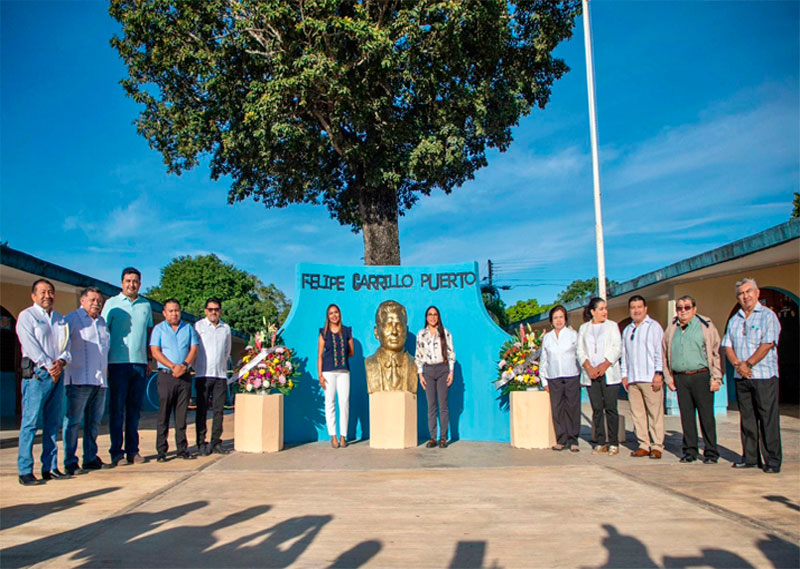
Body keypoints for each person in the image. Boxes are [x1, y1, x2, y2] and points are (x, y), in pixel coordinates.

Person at [722, 278, 782, 473]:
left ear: (757, 293)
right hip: (742, 377)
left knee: (767, 419)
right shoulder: (735, 319)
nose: (745, 296)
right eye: (741, 293)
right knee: (747, 419)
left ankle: (772, 461)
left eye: (748, 292)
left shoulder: (767, 316)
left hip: (764, 376)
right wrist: (738, 366)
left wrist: (748, 363)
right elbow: (727, 346)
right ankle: (750, 458)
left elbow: (768, 344)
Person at [16, 279, 72, 485]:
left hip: (57, 374)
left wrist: (61, 362)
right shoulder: (27, 317)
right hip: (38, 375)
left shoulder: (60, 319)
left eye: (50, 292)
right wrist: (50, 366)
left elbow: (67, 345)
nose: (47, 295)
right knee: (30, 424)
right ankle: (25, 470)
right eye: (42, 292)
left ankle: (50, 467)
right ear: (33, 296)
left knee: (52, 423)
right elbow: (31, 346)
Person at [662, 295, 723, 464]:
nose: (683, 311)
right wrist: (669, 378)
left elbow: (716, 352)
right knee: (687, 417)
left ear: (694, 309)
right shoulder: (672, 328)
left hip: (701, 376)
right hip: (681, 378)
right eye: (679, 308)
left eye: (687, 307)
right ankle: (690, 452)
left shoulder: (706, 325)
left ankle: (711, 452)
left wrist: (716, 377)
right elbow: (664, 353)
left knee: (706, 417)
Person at [102, 267, 153, 466]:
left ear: (140, 283)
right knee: (117, 410)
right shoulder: (111, 304)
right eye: (128, 281)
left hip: (139, 365)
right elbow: (103, 332)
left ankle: (133, 451)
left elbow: (147, 334)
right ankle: (117, 452)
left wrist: (149, 360)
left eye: (135, 281)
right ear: (122, 282)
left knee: (134, 410)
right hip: (117, 364)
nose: (131, 284)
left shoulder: (145, 305)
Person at [63, 287, 110, 475]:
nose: (96, 303)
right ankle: (70, 461)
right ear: (82, 301)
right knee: (73, 422)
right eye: (92, 300)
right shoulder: (71, 320)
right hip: (79, 380)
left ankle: (90, 458)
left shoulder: (102, 322)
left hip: (99, 381)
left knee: (94, 422)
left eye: (99, 300)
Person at [150, 299, 199, 461]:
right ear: (164, 313)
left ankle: (182, 449)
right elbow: (155, 351)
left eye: (176, 310)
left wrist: (184, 365)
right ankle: (162, 451)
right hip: (166, 375)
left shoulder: (188, 329)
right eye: (170, 311)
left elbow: (193, 349)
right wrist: (173, 366)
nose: (174, 313)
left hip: (184, 376)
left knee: (181, 415)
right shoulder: (159, 329)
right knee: (163, 414)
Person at [620, 295, 665, 460]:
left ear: (645, 309)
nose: (636, 310)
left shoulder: (654, 327)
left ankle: (657, 445)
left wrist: (659, 373)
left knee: (655, 413)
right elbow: (624, 355)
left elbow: (659, 351)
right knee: (637, 414)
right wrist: (624, 374)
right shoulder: (627, 330)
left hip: (650, 377)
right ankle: (644, 444)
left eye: (639, 307)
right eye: (633, 307)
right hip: (633, 378)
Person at [577, 297, 622, 455]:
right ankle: (600, 441)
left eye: (605, 308)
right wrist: (588, 367)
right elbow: (580, 350)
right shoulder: (584, 328)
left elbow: (617, 348)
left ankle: (614, 442)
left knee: (610, 408)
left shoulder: (612, 326)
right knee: (597, 409)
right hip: (591, 374)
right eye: (601, 309)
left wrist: (604, 365)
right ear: (593, 312)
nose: (605, 312)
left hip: (608, 373)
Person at [540, 305, 581, 452]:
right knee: (557, 409)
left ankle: (573, 439)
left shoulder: (573, 335)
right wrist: (544, 381)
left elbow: (580, 356)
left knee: (572, 408)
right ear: (551, 320)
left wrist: (581, 376)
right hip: (554, 377)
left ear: (565, 319)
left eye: (561, 317)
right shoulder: (547, 338)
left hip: (571, 376)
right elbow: (544, 361)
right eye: (555, 317)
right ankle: (561, 439)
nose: (558, 320)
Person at [194, 297, 232, 456]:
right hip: (203, 374)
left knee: (218, 411)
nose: (213, 312)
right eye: (210, 309)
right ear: (205, 311)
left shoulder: (226, 328)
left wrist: (222, 366)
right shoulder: (198, 326)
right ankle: (201, 443)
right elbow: (194, 348)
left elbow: (227, 351)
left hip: (220, 376)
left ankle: (216, 441)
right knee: (201, 410)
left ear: (220, 311)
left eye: (216, 309)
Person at [415, 306, 456, 448]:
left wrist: (451, 372)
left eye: (435, 314)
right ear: (426, 317)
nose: (432, 317)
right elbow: (418, 354)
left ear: (438, 317)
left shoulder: (445, 333)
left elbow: (451, 353)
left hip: (443, 369)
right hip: (428, 370)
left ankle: (443, 438)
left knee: (443, 406)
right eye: (430, 314)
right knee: (431, 406)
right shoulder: (421, 334)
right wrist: (420, 374)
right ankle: (433, 437)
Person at [317, 304, 354, 448]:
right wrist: (320, 375)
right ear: (328, 316)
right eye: (331, 313)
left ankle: (343, 436)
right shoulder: (324, 333)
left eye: (336, 312)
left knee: (344, 402)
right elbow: (319, 355)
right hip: (327, 371)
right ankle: (333, 436)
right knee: (329, 403)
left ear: (340, 314)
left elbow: (351, 351)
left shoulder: (347, 331)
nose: (334, 315)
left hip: (344, 371)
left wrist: (341, 358)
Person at [364, 300, 418, 394]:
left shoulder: (415, 364)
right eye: (388, 326)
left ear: (406, 331)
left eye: (399, 326)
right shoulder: (370, 363)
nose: (394, 332)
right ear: (376, 332)